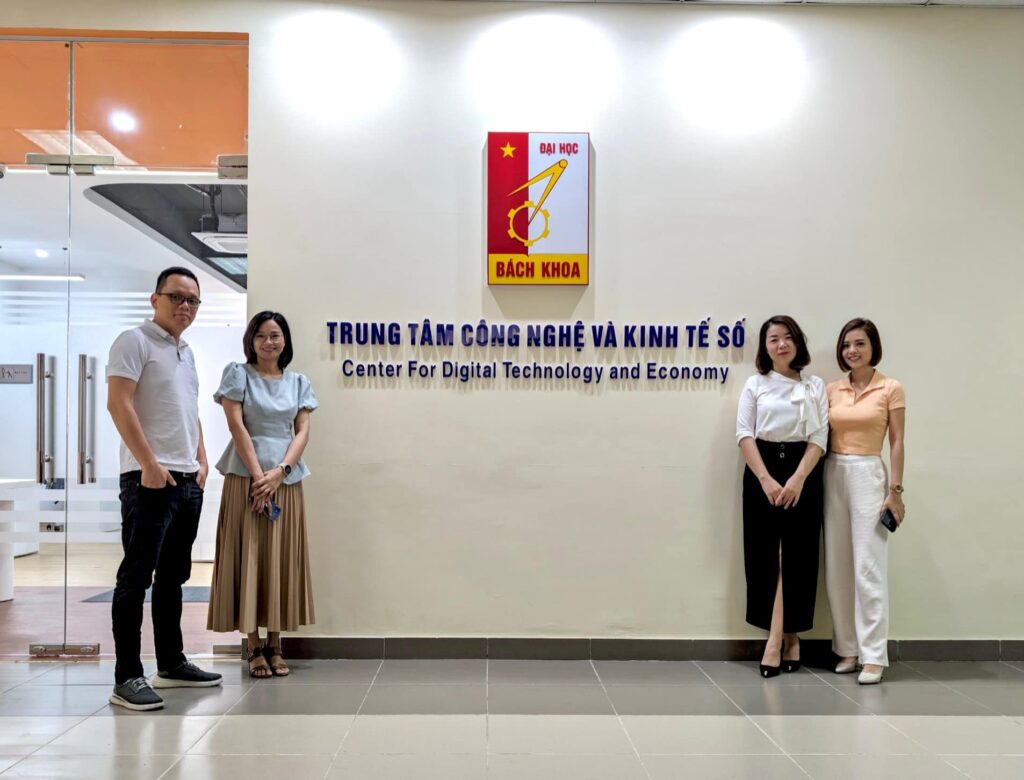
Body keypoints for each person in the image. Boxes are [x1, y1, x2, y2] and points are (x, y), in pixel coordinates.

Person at [106, 266, 223, 711]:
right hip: (148, 480)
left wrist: (202, 458)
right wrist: (148, 464)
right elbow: (119, 402)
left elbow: (187, 410)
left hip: (186, 479)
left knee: (174, 576)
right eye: (176, 297)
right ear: (155, 299)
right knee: (135, 578)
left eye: (192, 300)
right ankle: (127, 677)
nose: (185, 306)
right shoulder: (133, 341)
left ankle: (171, 662)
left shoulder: (186, 352)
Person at [207, 311, 317, 678]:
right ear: (250, 341)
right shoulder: (238, 375)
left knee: (279, 559)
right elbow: (236, 425)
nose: (269, 342)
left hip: (285, 480)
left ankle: (275, 642)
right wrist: (259, 479)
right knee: (249, 555)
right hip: (246, 478)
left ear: (285, 340)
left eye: (275, 335)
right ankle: (252, 644)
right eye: (261, 336)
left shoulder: (299, 381)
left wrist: (280, 473)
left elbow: (301, 433)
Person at [736, 315, 828, 678]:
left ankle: (779, 641)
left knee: (798, 556)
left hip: (804, 470)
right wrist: (767, 480)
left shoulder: (815, 385)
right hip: (762, 468)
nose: (781, 345)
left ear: (798, 343)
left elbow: (820, 436)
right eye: (773, 339)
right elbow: (744, 434)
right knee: (767, 556)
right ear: (765, 347)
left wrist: (798, 479)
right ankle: (785, 639)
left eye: (788, 338)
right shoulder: (755, 384)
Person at [825, 318, 906, 685]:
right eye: (846, 345)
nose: (852, 351)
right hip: (833, 472)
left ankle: (874, 656)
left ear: (873, 347)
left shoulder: (890, 388)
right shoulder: (831, 389)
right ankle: (847, 648)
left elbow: (897, 442)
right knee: (838, 565)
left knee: (868, 566)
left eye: (859, 344)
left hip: (869, 475)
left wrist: (896, 491)